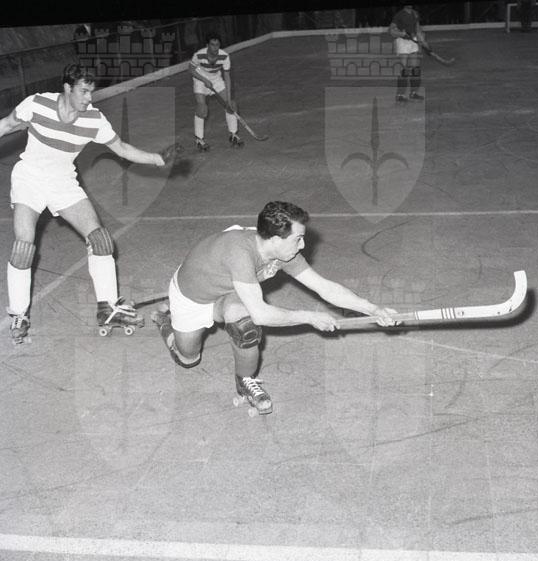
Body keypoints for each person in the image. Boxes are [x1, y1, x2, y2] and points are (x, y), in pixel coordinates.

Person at [151, 201, 398, 414]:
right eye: (298, 239)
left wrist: (373, 309)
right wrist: (309, 317)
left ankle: (246, 381)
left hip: (231, 291)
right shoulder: (239, 252)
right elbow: (263, 314)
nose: (302, 245)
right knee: (188, 359)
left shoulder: (282, 252)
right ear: (276, 239)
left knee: (245, 323)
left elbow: (324, 287)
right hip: (192, 297)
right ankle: (165, 321)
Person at [0, 63, 167, 343]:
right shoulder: (37, 104)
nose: (89, 98)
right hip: (29, 179)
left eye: (92, 92)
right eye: (84, 91)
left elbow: (121, 148)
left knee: (100, 239)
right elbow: (6, 124)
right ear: (67, 88)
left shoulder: (94, 119)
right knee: (24, 245)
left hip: (63, 182)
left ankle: (108, 309)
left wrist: (156, 158)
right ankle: (18, 313)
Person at [189, 33, 243, 151]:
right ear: (207, 45)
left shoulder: (225, 56)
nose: (215, 47)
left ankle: (233, 135)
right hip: (200, 80)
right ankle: (199, 139)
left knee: (232, 105)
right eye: (212, 45)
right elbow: (191, 69)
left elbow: (227, 77)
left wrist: (228, 99)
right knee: (202, 109)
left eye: (217, 45)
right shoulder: (199, 55)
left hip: (216, 80)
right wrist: (204, 80)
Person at [389, 4, 426, 102]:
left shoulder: (415, 13)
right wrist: (402, 34)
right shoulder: (399, 15)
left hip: (413, 41)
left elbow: (417, 28)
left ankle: (413, 93)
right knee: (404, 70)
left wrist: (422, 40)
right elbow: (391, 30)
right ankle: (400, 95)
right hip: (403, 42)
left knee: (416, 69)